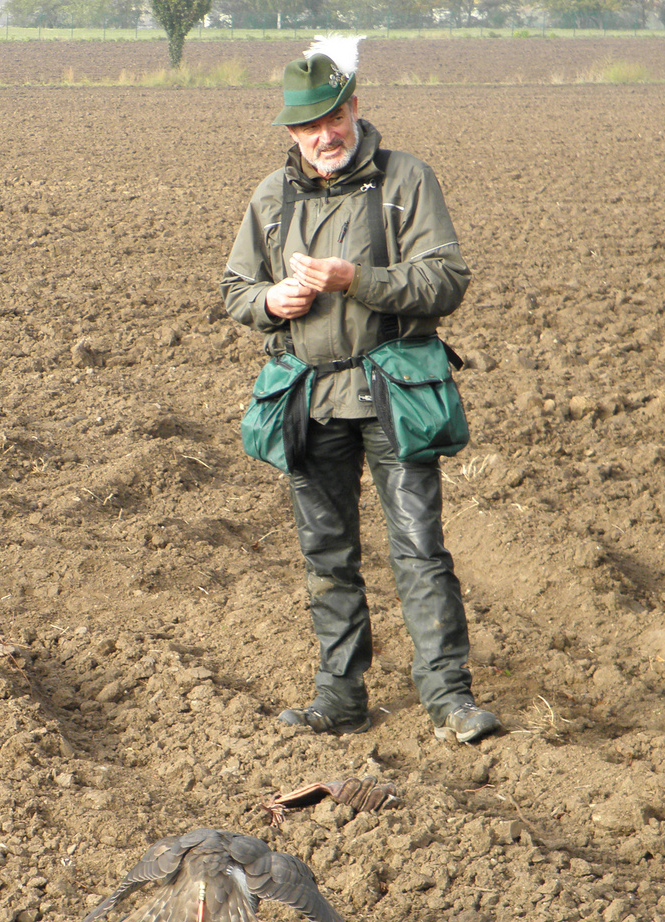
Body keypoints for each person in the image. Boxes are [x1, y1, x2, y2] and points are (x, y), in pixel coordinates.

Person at [220, 37, 499, 745]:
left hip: (393, 393)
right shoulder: (270, 198)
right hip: (309, 400)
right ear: (291, 132)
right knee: (327, 554)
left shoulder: (405, 182)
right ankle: (340, 698)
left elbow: (447, 280)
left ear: (354, 106)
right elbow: (234, 289)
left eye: (332, 117)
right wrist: (271, 301)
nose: (324, 137)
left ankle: (448, 698)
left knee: (418, 547)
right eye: (308, 126)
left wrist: (358, 281)